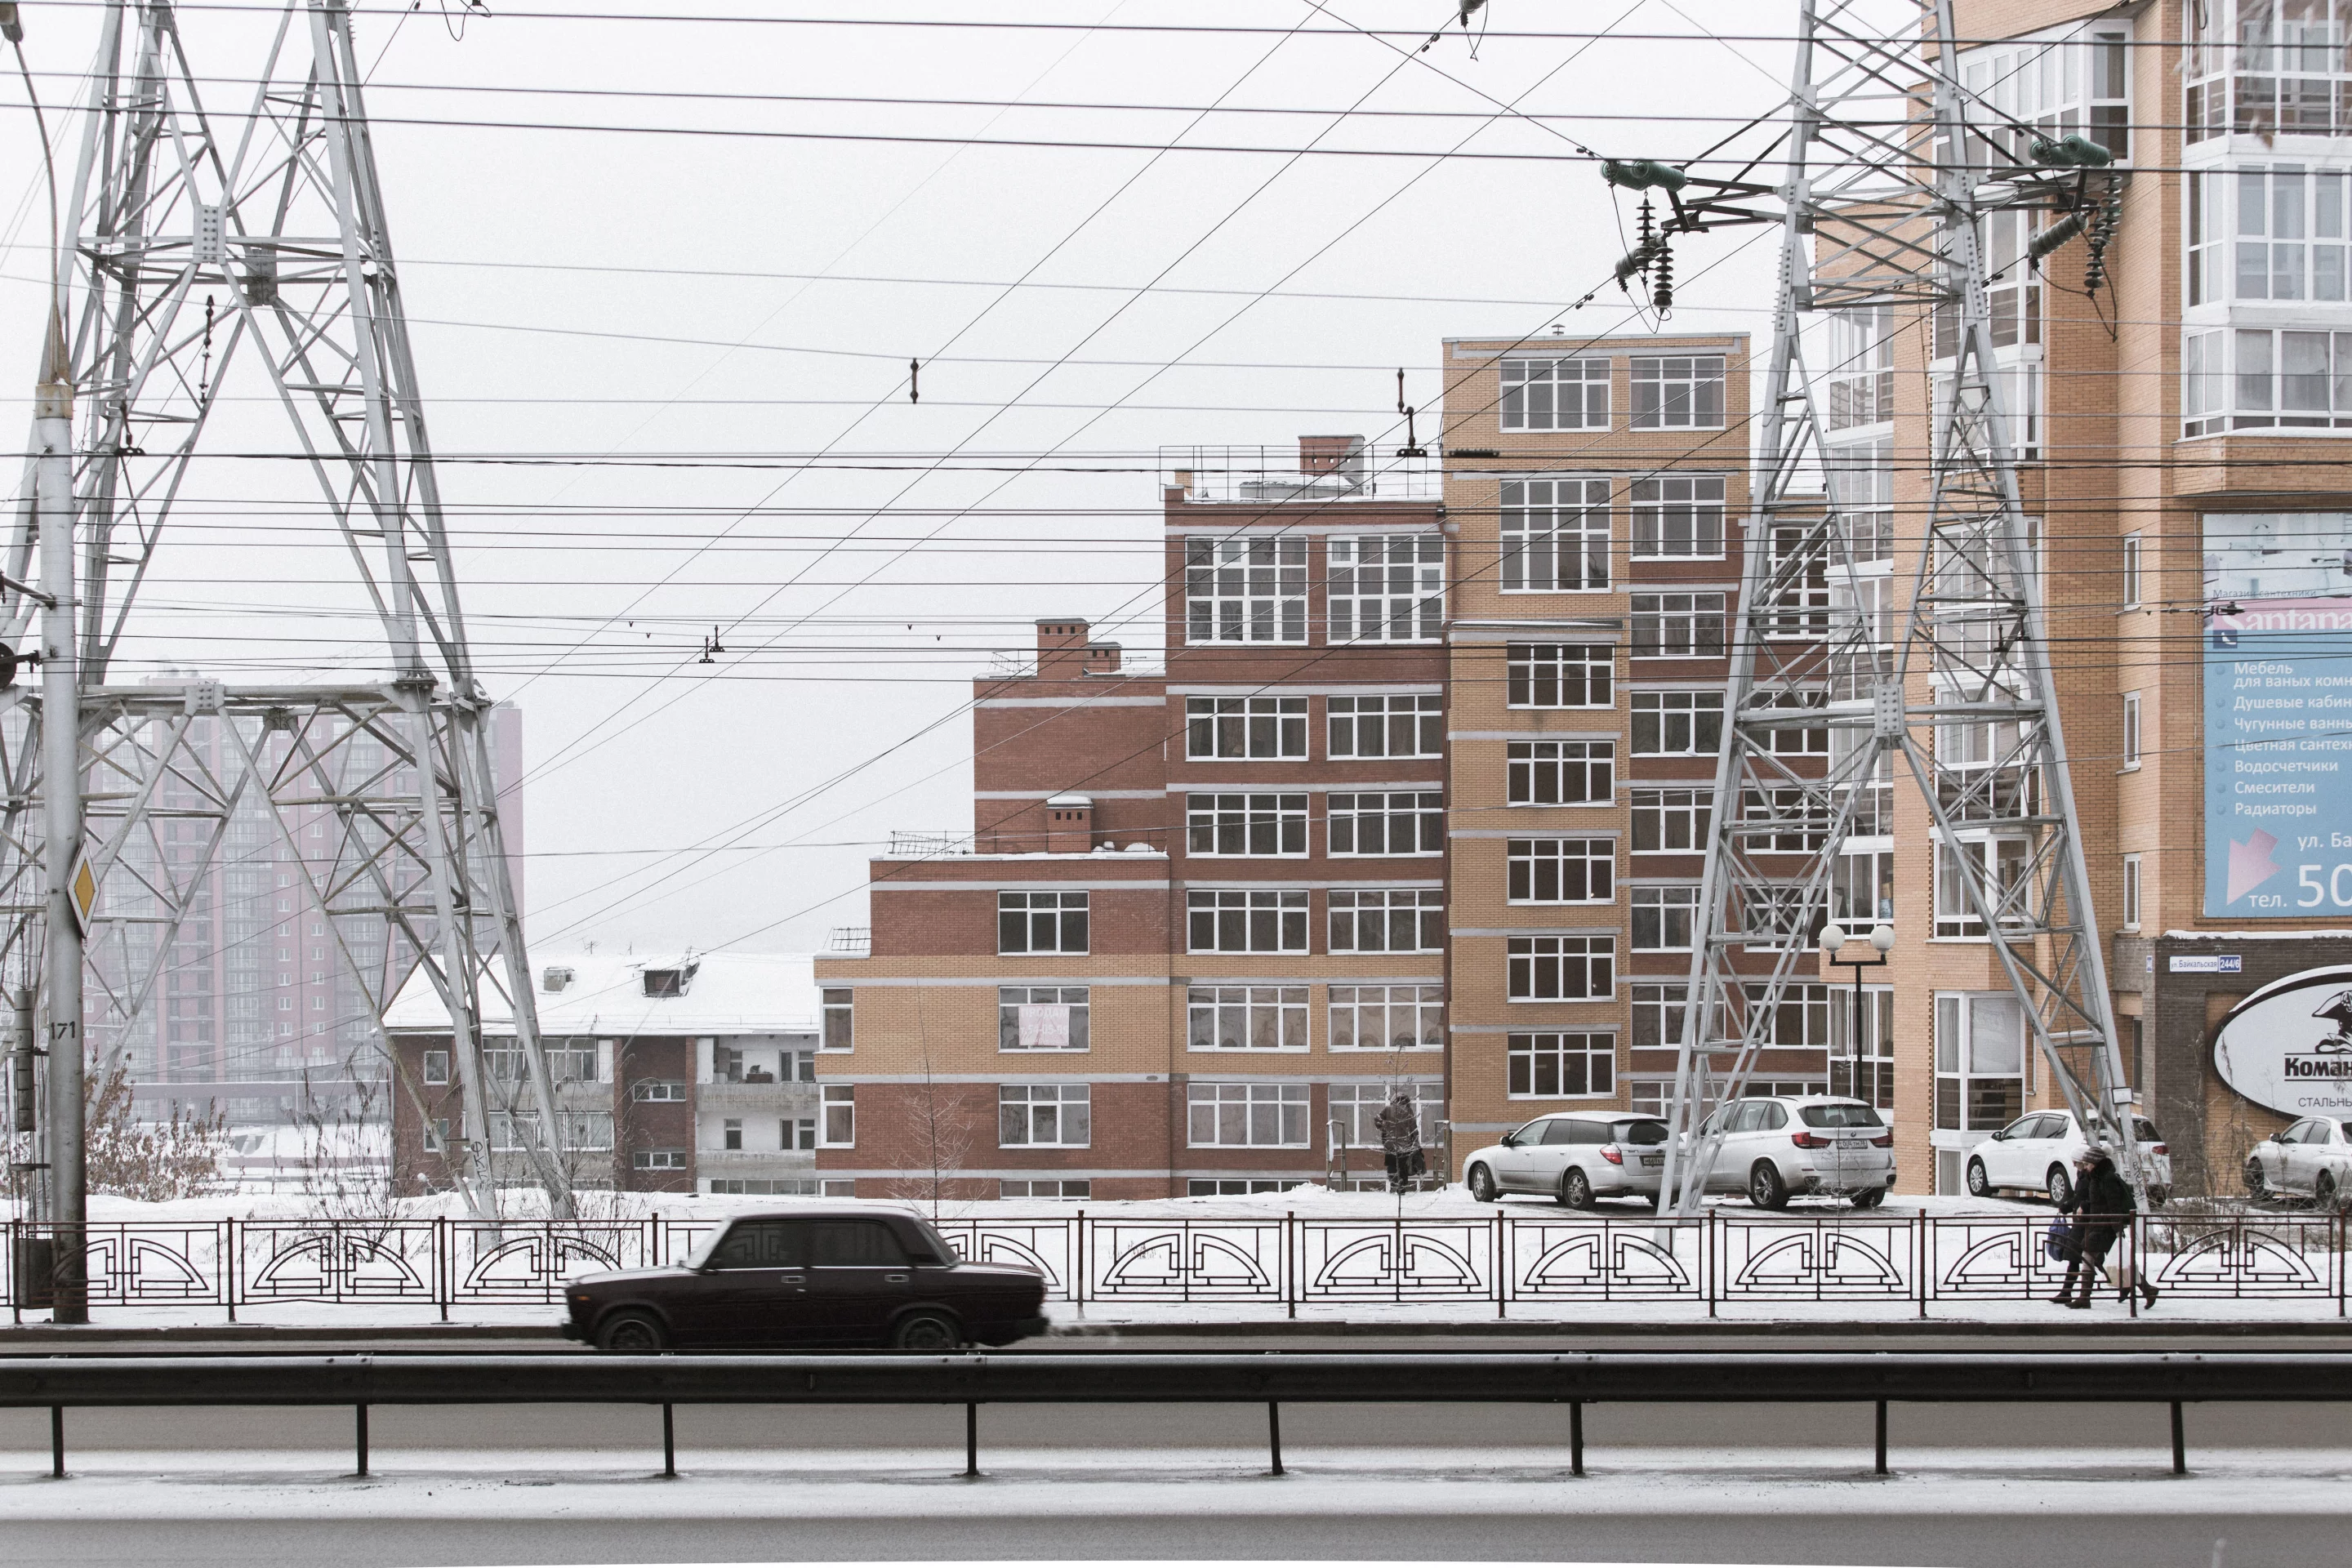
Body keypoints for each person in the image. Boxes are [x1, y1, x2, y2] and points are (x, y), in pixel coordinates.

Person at [2051, 1143, 2158, 1309]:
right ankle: (2147, 1290)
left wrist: (2117, 1230)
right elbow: (2097, 1202)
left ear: (2095, 1163)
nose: (2085, 1167)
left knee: (2091, 1257)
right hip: (2099, 1225)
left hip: (2105, 1227)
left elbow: (2113, 1205)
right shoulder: (2097, 1178)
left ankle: (2085, 1297)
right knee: (2110, 1260)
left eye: (2087, 1164)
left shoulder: (2107, 1179)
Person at [1374, 1090, 1424, 1193]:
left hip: (1390, 1144)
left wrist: (1383, 1127)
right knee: (1403, 1167)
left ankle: (1394, 1185)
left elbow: (1377, 1120)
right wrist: (1416, 1143)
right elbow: (1414, 1129)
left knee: (1392, 1165)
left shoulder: (1388, 1109)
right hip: (1405, 1145)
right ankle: (1402, 1188)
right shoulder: (1408, 1111)